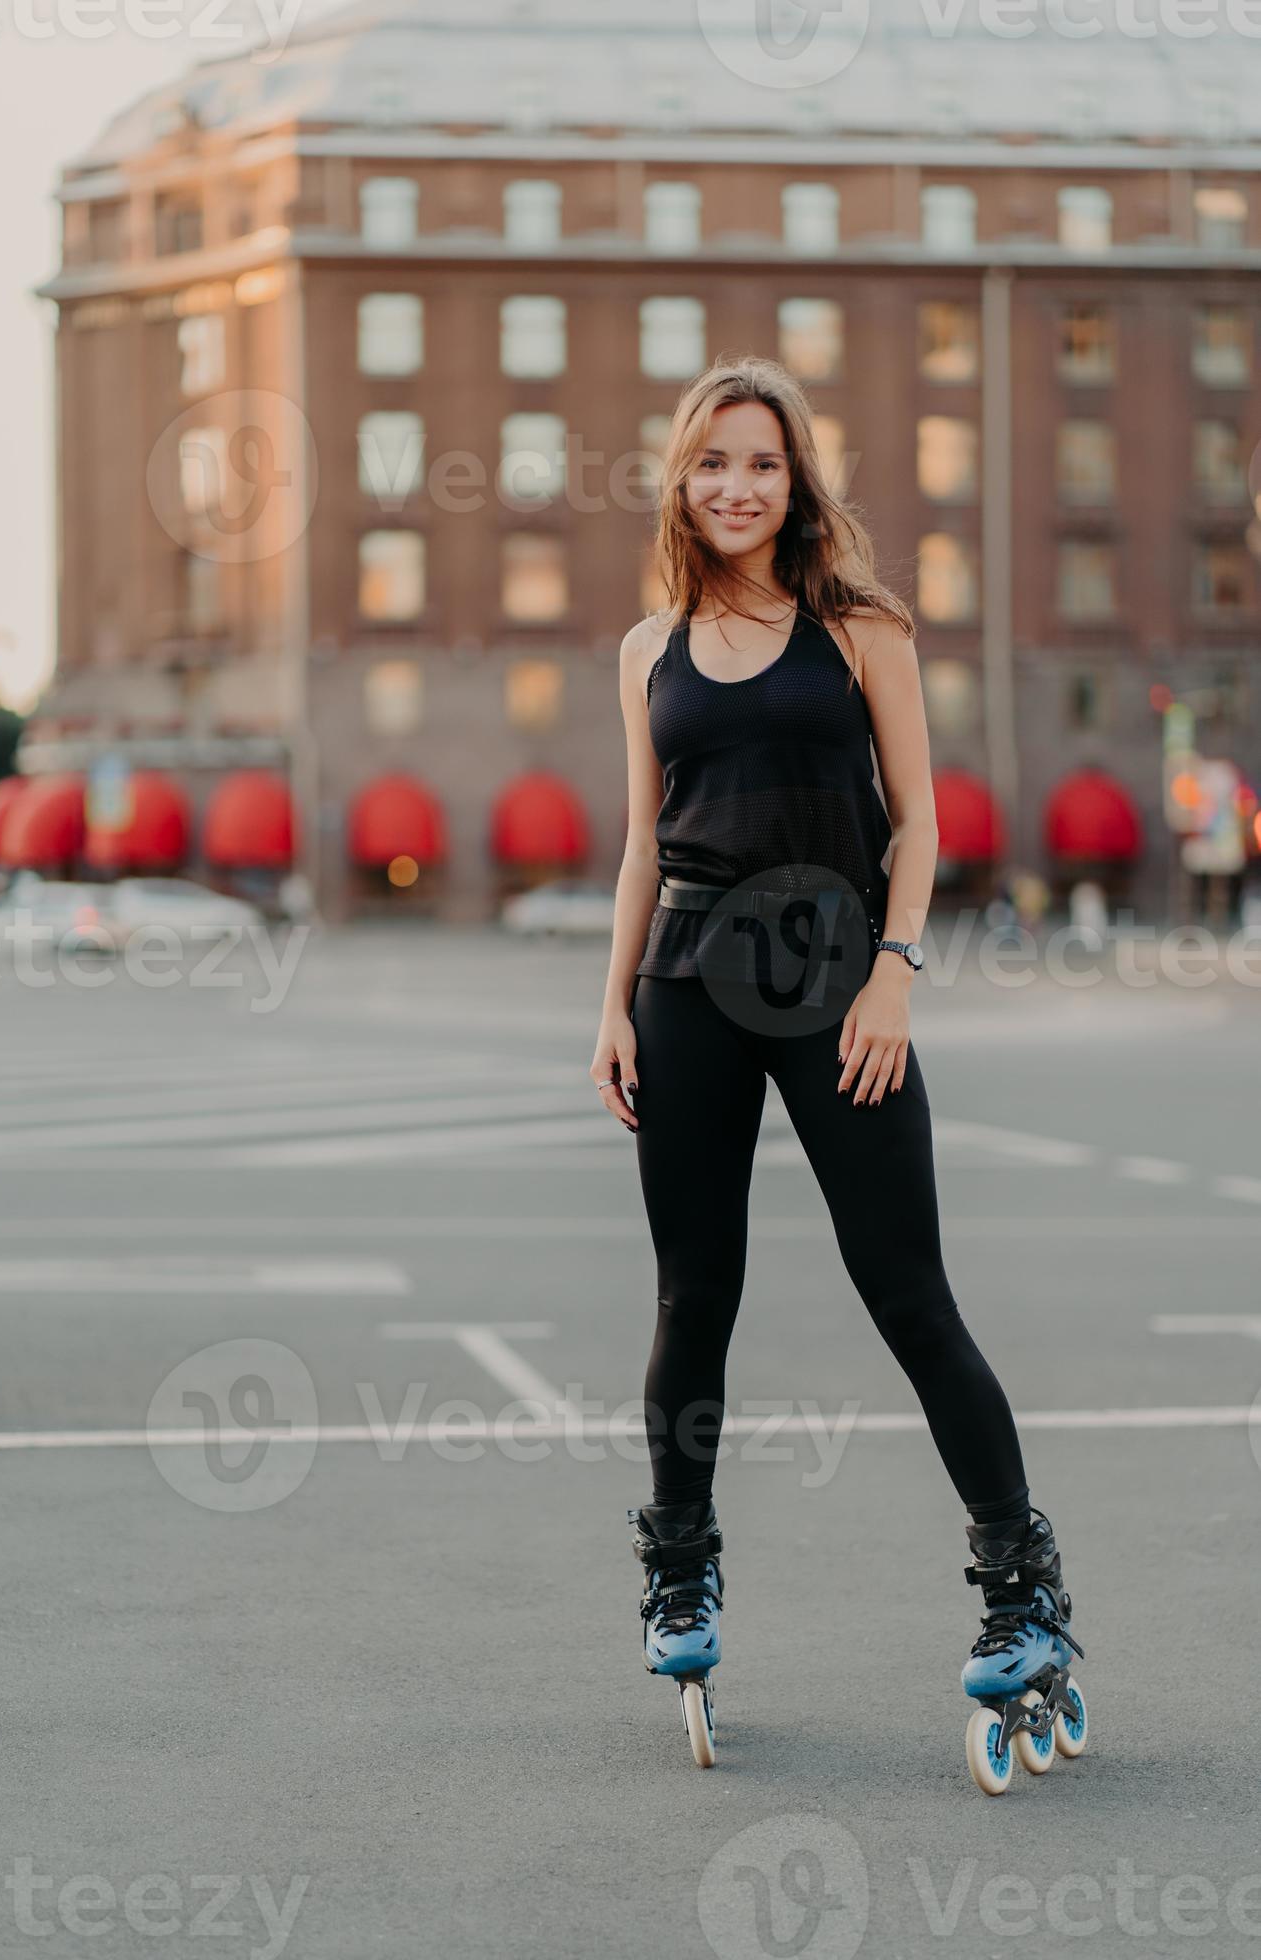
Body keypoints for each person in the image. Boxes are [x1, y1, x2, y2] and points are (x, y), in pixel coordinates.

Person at [590, 356, 1084, 1783]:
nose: (735, 486)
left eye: (759, 462)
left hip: (836, 984)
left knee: (910, 1296)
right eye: (709, 464)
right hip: (686, 987)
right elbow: (641, 842)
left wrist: (895, 975)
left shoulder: (859, 627)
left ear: (796, 478)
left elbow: (918, 823)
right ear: (681, 483)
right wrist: (611, 1009)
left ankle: (1022, 1587)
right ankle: (680, 1573)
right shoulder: (646, 648)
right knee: (694, 1301)